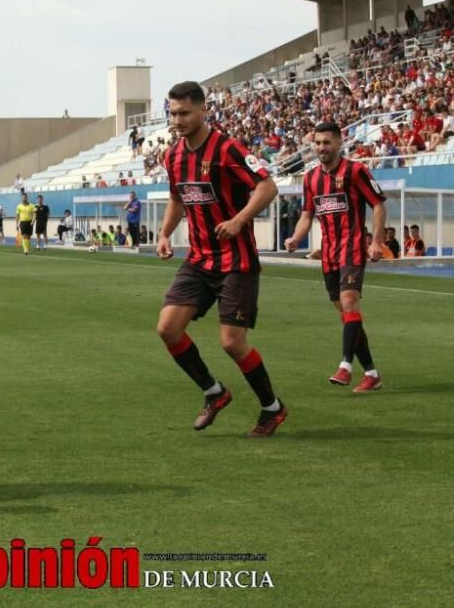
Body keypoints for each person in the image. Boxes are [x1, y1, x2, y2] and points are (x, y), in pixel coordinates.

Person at [156, 82, 287, 438]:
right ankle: (214, 392)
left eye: (184, 113)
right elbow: (177, 198)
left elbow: (267, 186)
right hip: (199, 259)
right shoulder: (172, 156)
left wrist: (239, 219)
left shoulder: (229, 149)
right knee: (167, 328)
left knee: (231, 342)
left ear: (203, 111)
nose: (178, 120)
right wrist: (166, 233)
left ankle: (272, 408)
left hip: (236, 260)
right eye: (172, 113)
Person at [285, 122, 386, 393]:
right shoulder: (310, 178)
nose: (321, 148)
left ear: (339, 143)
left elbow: (378, 204)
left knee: (349, 302)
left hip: (352, 249)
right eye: (317, 143)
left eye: (326, 143)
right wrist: (296, 238)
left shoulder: (356, 171)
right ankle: (372, 374)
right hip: (328, 254)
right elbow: (307, 215)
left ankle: (345, 367)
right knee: (346, 314)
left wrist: (376, 241)